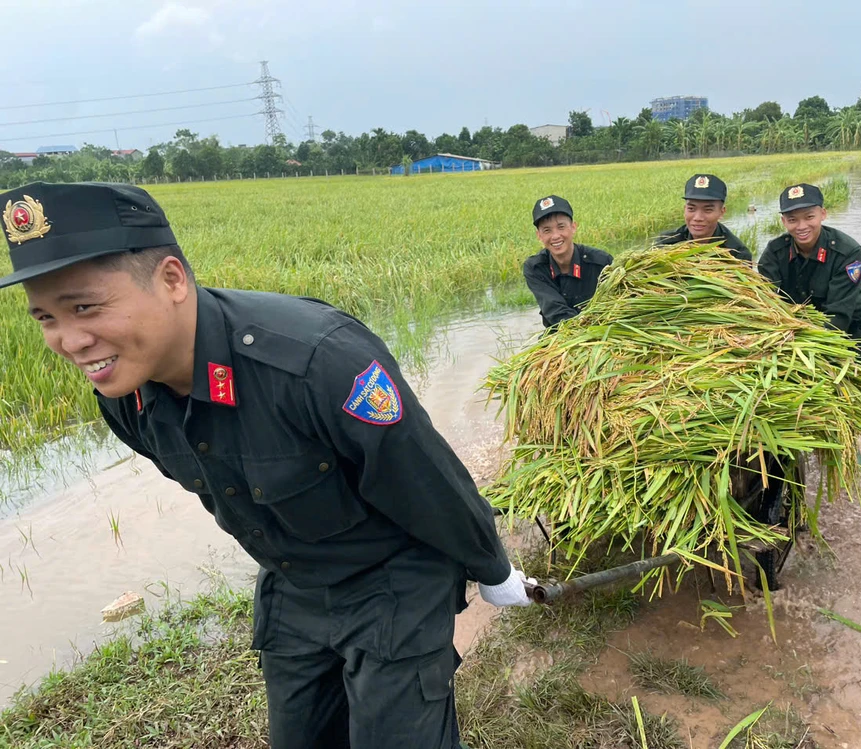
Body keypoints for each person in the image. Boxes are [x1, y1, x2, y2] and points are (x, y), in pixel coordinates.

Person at [0, 181, 535, 749]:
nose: (70, 340)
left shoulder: (315, 361)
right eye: (45, 318)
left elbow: (424, 479)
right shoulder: (122, 394)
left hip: (394, 575)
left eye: (85, 307)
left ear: (172, 280)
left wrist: (492, 568)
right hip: (293, 577)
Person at [757, 184, 861, 371]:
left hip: (850, 332)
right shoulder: (775, 253)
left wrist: (807, 347)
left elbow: (838, 315)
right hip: (795, 333)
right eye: (792, 220)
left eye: (809, 217)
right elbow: (765, 301)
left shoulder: (847, 252)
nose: (801, 226)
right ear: (783, 222)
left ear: (823, 214)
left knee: (854, 394)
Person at [522, 195, 613, 329]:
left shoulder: (602, 262)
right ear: (539, 236)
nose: (555, 236)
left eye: (561, 227)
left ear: (573, 227)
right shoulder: (535, 268)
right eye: (547, 230)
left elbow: (616, 303)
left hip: (602, 329)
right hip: (559, 334)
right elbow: (555, 311)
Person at [654, 173, 752, 262]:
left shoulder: (737, 254)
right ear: (684, 209)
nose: (698, 218)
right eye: (691, 209)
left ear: (722, 212)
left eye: (707, 210)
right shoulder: (667, 244)